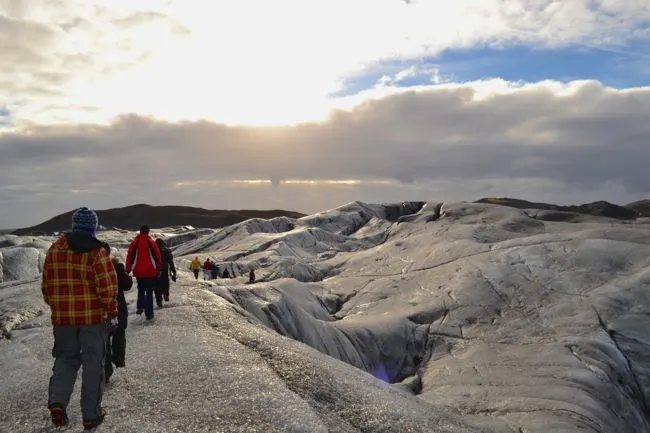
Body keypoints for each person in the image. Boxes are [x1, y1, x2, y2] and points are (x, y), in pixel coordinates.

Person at [42, 207, 117, 430]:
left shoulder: (55, 249)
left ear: (74, 225)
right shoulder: (96, 252)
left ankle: (57, 403)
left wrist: (57, 306)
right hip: (92, 319)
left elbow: (46, 287)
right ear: (93, 227)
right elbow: (108, 288)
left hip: (63, 320)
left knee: (65, 360)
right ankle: (90, 415)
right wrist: (111, 312)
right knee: (93, 365)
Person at [101, 242, 132, 384]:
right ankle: (119, 358)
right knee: (119, 333)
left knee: (104, 341)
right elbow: (127, 284)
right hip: (117, 308)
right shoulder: (115, 266)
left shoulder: (89, 268)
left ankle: (106, 371)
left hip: (99, 311)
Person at [125, 225, 162, 321]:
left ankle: (140, 306)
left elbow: (130, 256)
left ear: (140, 232)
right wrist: (159, 269)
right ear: (148, 232)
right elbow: (157, 256)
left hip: (139, 271)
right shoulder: (151, 242)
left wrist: (128, 270)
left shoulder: (135, 242)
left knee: (141, 289)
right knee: (149, 292)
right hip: (151, 271)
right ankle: (149, 314)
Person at [154, 238, 176, 307]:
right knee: (166, 282)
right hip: (165, 268)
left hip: (156, 269)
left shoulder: (153, 251)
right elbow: (171, 262)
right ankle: (166, 295)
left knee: (157, 285)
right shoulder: (167, 251)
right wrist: (173, 272)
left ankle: (159, 300)